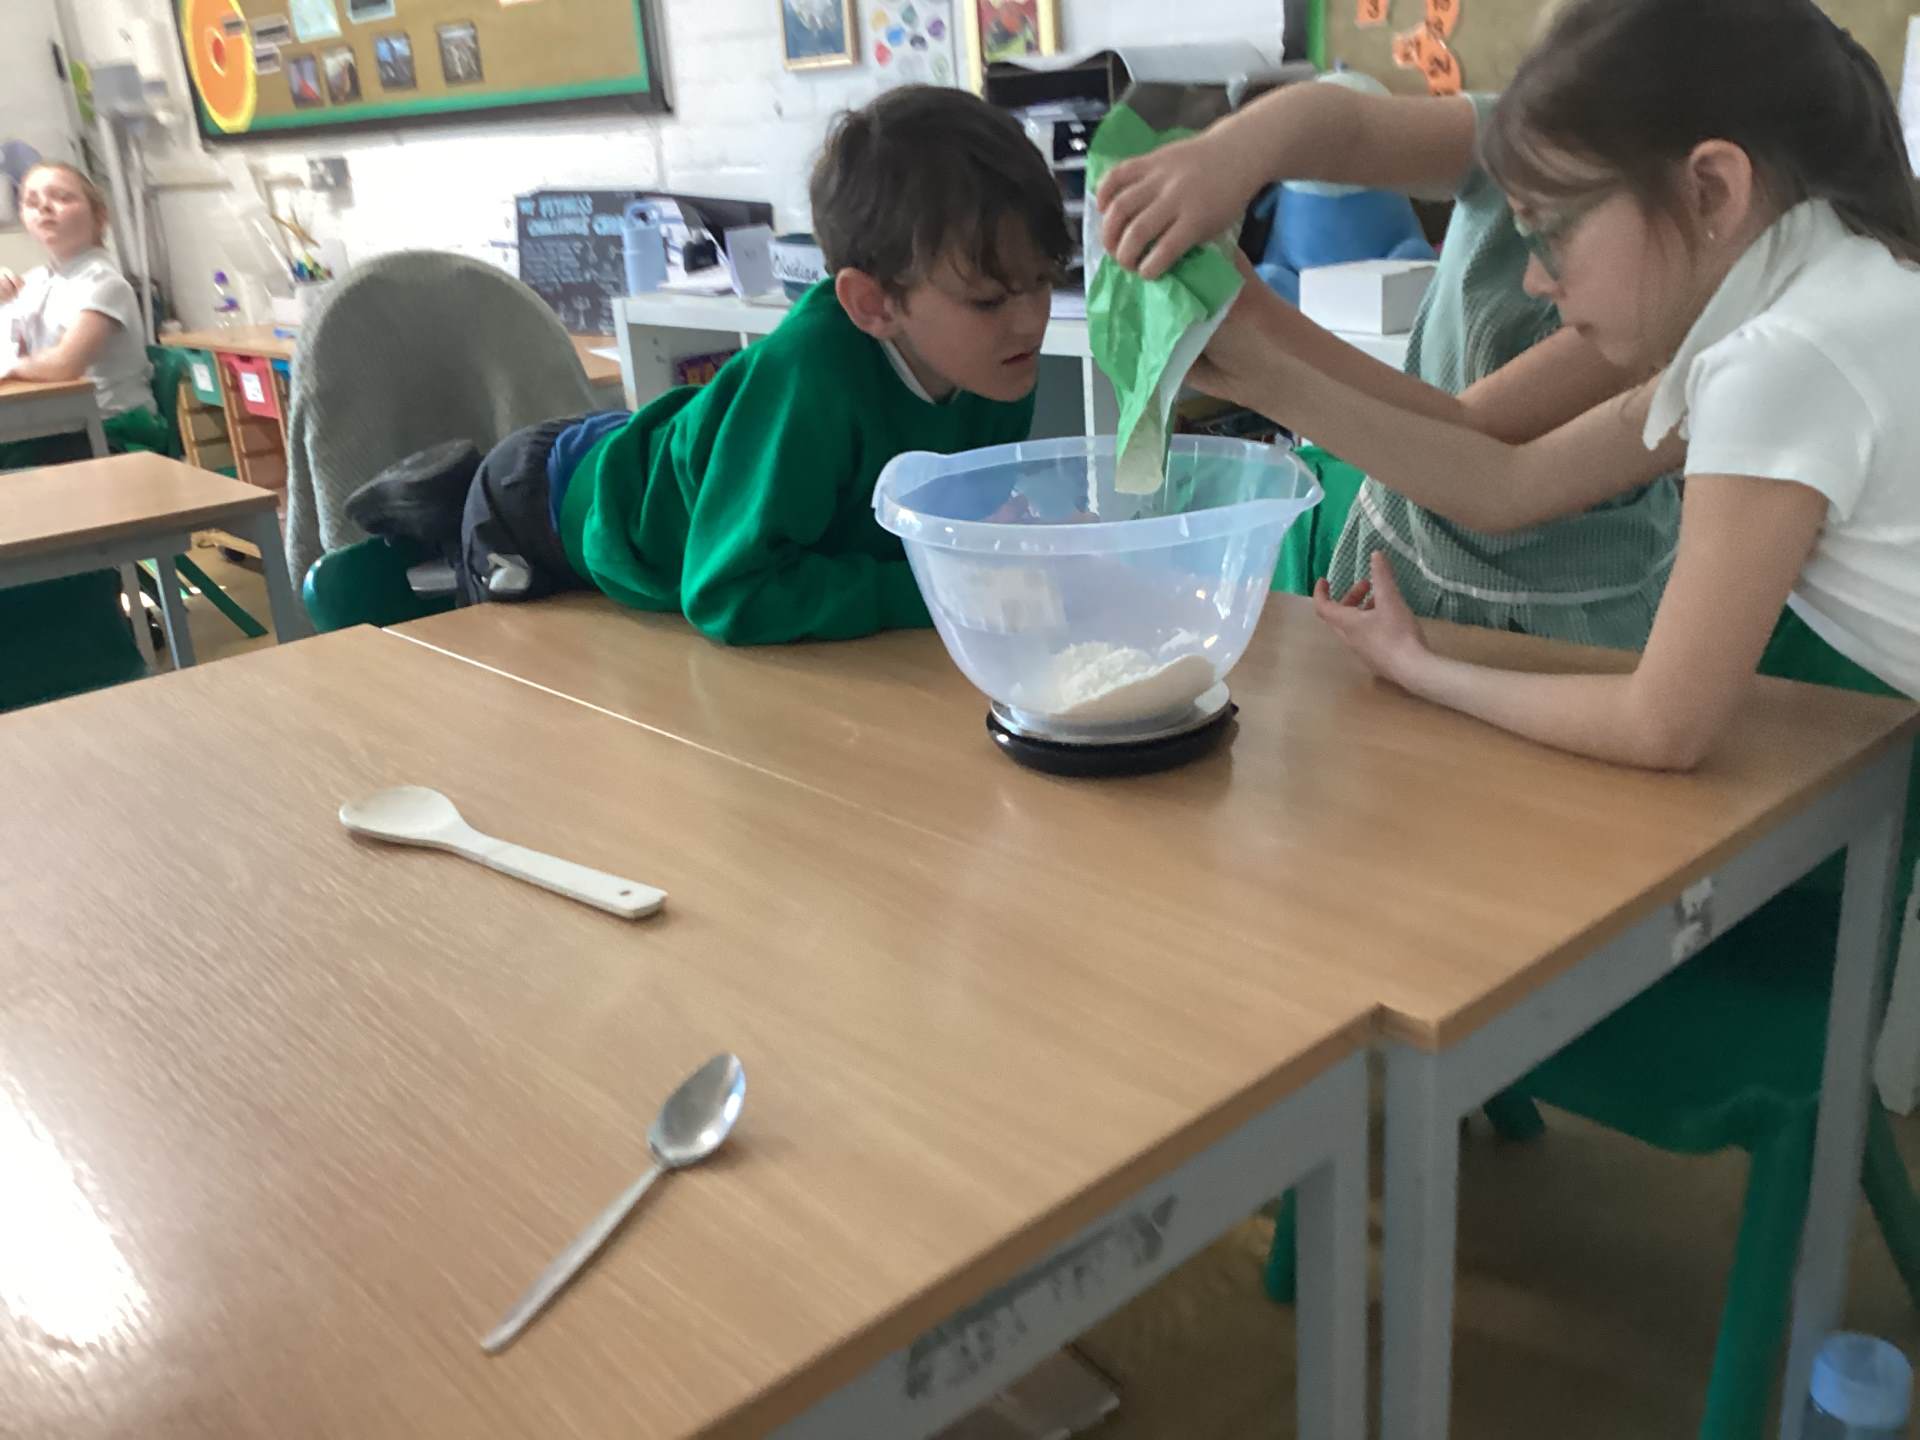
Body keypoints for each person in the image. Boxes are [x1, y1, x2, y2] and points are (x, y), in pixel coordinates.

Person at [1187, 0, 1918, 776]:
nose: (1536, 280)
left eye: (1555, 231)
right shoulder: (1824, 292)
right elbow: (1507, 479)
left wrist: (1423, 672)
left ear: (1712, 189)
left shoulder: (1780, 361)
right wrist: (1262, 364)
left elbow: (1659, 727)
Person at [428, 85, 1067, 643]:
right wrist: (945, 594)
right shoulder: (811, 376)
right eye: (988, 300)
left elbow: (926, 531)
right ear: (873, 305)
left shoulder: (997, 365)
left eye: (1043, 280)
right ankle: (430, 507)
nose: (1030, 320)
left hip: (684, 469)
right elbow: (729, 592)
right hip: (541, 507)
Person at [1095, 69, 1682, 647]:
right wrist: (1232, 153)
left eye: (1550, 235)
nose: (1535, 278)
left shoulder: (1663, 319)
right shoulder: (1552, 138)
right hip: (1407, 559)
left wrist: (1261, 348)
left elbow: (1478, 446)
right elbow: (1352, 124)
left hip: (1553, 615)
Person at [0, 161, 166, 467]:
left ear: (100, 216)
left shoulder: (104, 282)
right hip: (53, 425)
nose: (44, 207)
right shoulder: (36, 281)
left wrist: (9, 368)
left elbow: (64, 364)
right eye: (31, 202)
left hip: (107, 430)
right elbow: (11, 347)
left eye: (62, 197)